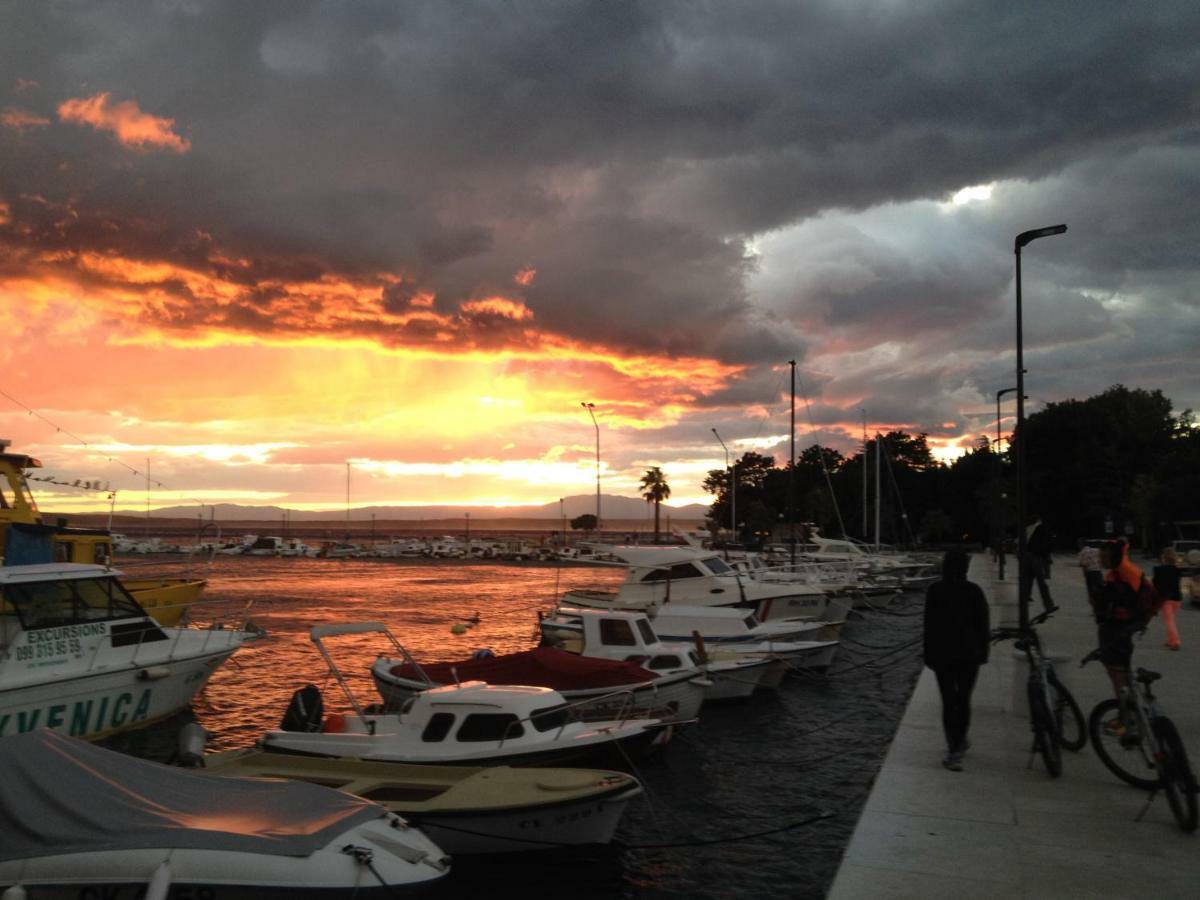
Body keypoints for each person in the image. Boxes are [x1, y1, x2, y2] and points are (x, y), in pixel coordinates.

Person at [924, 549, 991, 772]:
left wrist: (928, 654)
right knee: (963, 700)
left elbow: (929, 625)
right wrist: (984, 652)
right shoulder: (974, 591)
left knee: (947, 700)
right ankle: (959, 742)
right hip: (968, 655)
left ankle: (952, 746)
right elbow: (983, 625)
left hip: (942, 654)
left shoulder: (935, 591)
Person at [1022, 514, 1057, 614]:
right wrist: (1047, 555)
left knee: (1028, 579)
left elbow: (1025, 541)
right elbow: (1049, 543)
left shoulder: (1029, 528)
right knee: (1041, 581)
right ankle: (1048, 604)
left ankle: (1025, 599)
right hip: (1037, 557)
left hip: (1028, 555)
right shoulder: (1042, 528)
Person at [1152, 548, 1183, 651]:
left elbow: (1155, 584)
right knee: (1171, 620)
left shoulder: (1158, 570)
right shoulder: (1178, 570)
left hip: (1165, 599)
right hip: (1177, 598)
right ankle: (1170, 640)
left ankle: (1175, 642)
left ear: (1163, 558)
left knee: (1169, 621)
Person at [1077, 538, 1103, 607]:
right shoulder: (1096, 550)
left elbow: (1084, 565)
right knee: (1100, 589)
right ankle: (1101, 604)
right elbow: (1101, 560)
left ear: (1080, 544)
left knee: (1091, 591)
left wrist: (1085, 575)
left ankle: (1095, 606)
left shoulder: (1082, 552)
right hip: (1098, 572)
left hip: (1090, 573)